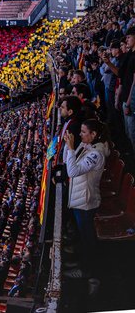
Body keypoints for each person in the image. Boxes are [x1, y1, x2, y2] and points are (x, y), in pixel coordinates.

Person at [63, 120, 107, 281]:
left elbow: (72, 171)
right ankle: (83, 265)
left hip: (86, 201)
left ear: (93, 134)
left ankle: (89, 272)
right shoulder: (87, 147)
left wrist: (71, 148)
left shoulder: (96, 154)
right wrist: (69, 147)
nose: (80, 134)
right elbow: (67, 161)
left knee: (88, 239)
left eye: (83, 132)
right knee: (83, 237)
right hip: (80, 198)